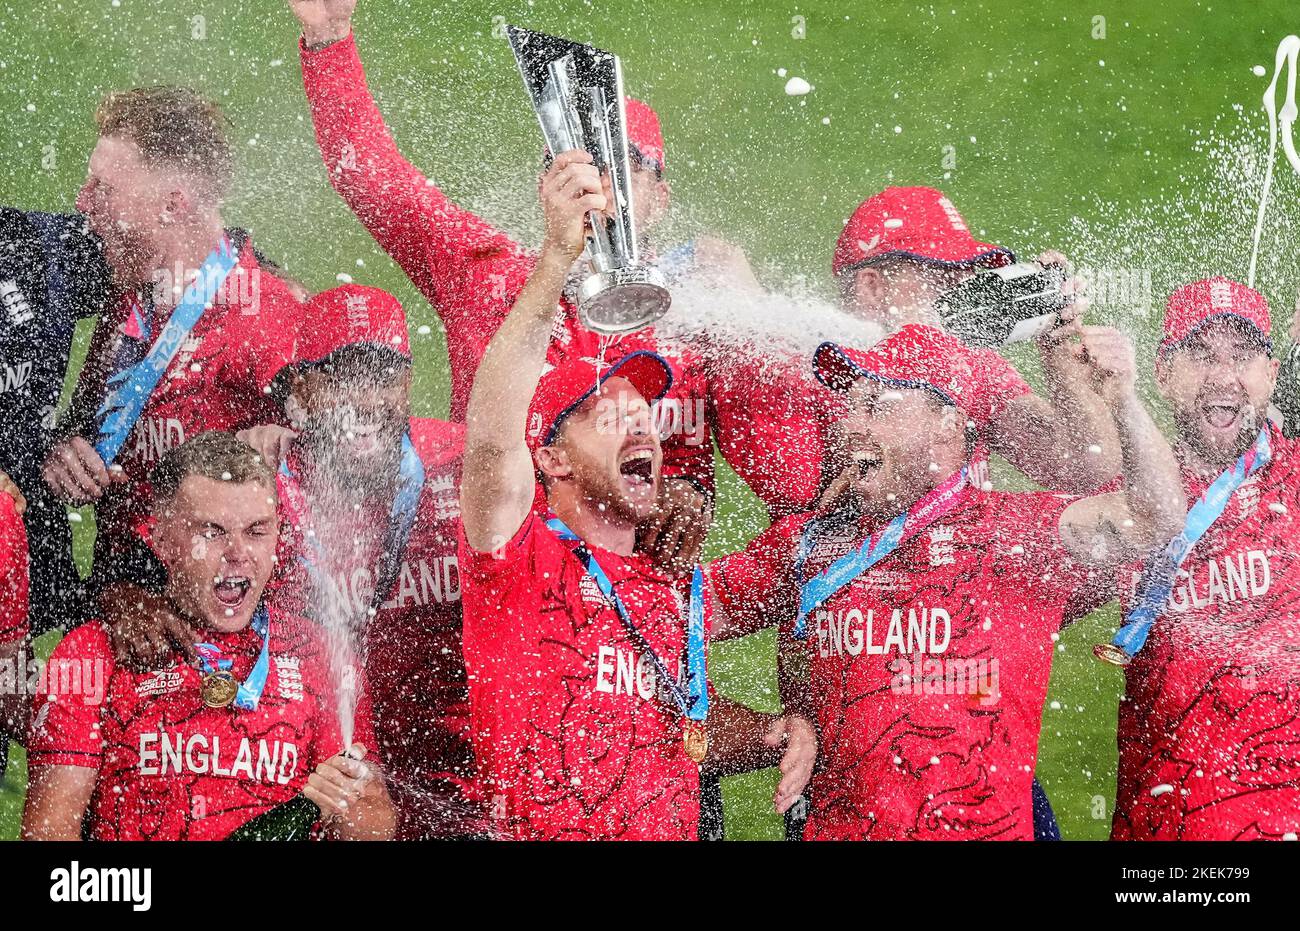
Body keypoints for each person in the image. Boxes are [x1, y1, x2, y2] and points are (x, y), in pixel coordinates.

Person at [707, 322, 1185, 840]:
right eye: (852, 405)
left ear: (948, 424)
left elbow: (1154, 517)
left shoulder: (1013, 535)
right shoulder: (812, 542)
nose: (852, 427)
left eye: (878, 407)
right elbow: (671, 614)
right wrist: (765, 730)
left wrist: (1122, 399)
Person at [458, 149, 816, 840]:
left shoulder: (673, 583)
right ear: (552, 459)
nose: (639, 423)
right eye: (606, 414)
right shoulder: (514, 561)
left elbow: (675, 715)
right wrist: (558, 257)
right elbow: (493, 435)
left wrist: (774, 731)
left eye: (644, 409)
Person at [290, 0, 714, 576]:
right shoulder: (487, 274)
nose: (598, 183)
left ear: (660, 199)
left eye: (624, 165)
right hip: (473, 588)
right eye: (579, 164)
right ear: (548, 186)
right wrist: (330, 37)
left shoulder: (694, 321)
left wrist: (689, 492)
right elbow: (373, 177)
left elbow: (687, 467)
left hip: (609, 624)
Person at [22, 431, 395, 840]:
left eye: (256, 531)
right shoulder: (92, 651)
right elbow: (49, 833)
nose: (238, 552)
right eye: (212, 531)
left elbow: (373, 826)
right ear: (160, 539)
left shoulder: (320, 653)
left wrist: (353, 798)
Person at [41, 86, 307, 608]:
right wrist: (61, 448)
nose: (81, 201)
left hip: (235, 637)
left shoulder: (266, 312)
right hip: (128, 605)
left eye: (104, 188)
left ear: (172, 203)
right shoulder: (126, 306)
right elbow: (90, 430)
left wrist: (289, 445)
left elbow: (348, 467)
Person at [710, 186, 1122, 521]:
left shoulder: (972, 365)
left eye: (968, 276)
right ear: (873, 288)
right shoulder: (801, 372)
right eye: (945, 277)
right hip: (852, 615)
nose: (967, 295)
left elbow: (1086, 469)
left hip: (960, 610)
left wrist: (1059, 358)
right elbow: (807, 508)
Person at [1109, 277, 1300, 841]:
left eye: (1242, 356)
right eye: (1201, 354)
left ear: (1270, 373)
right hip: (1163, 833)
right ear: (1163, 375)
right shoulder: (1127, 500)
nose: (1223, 376)